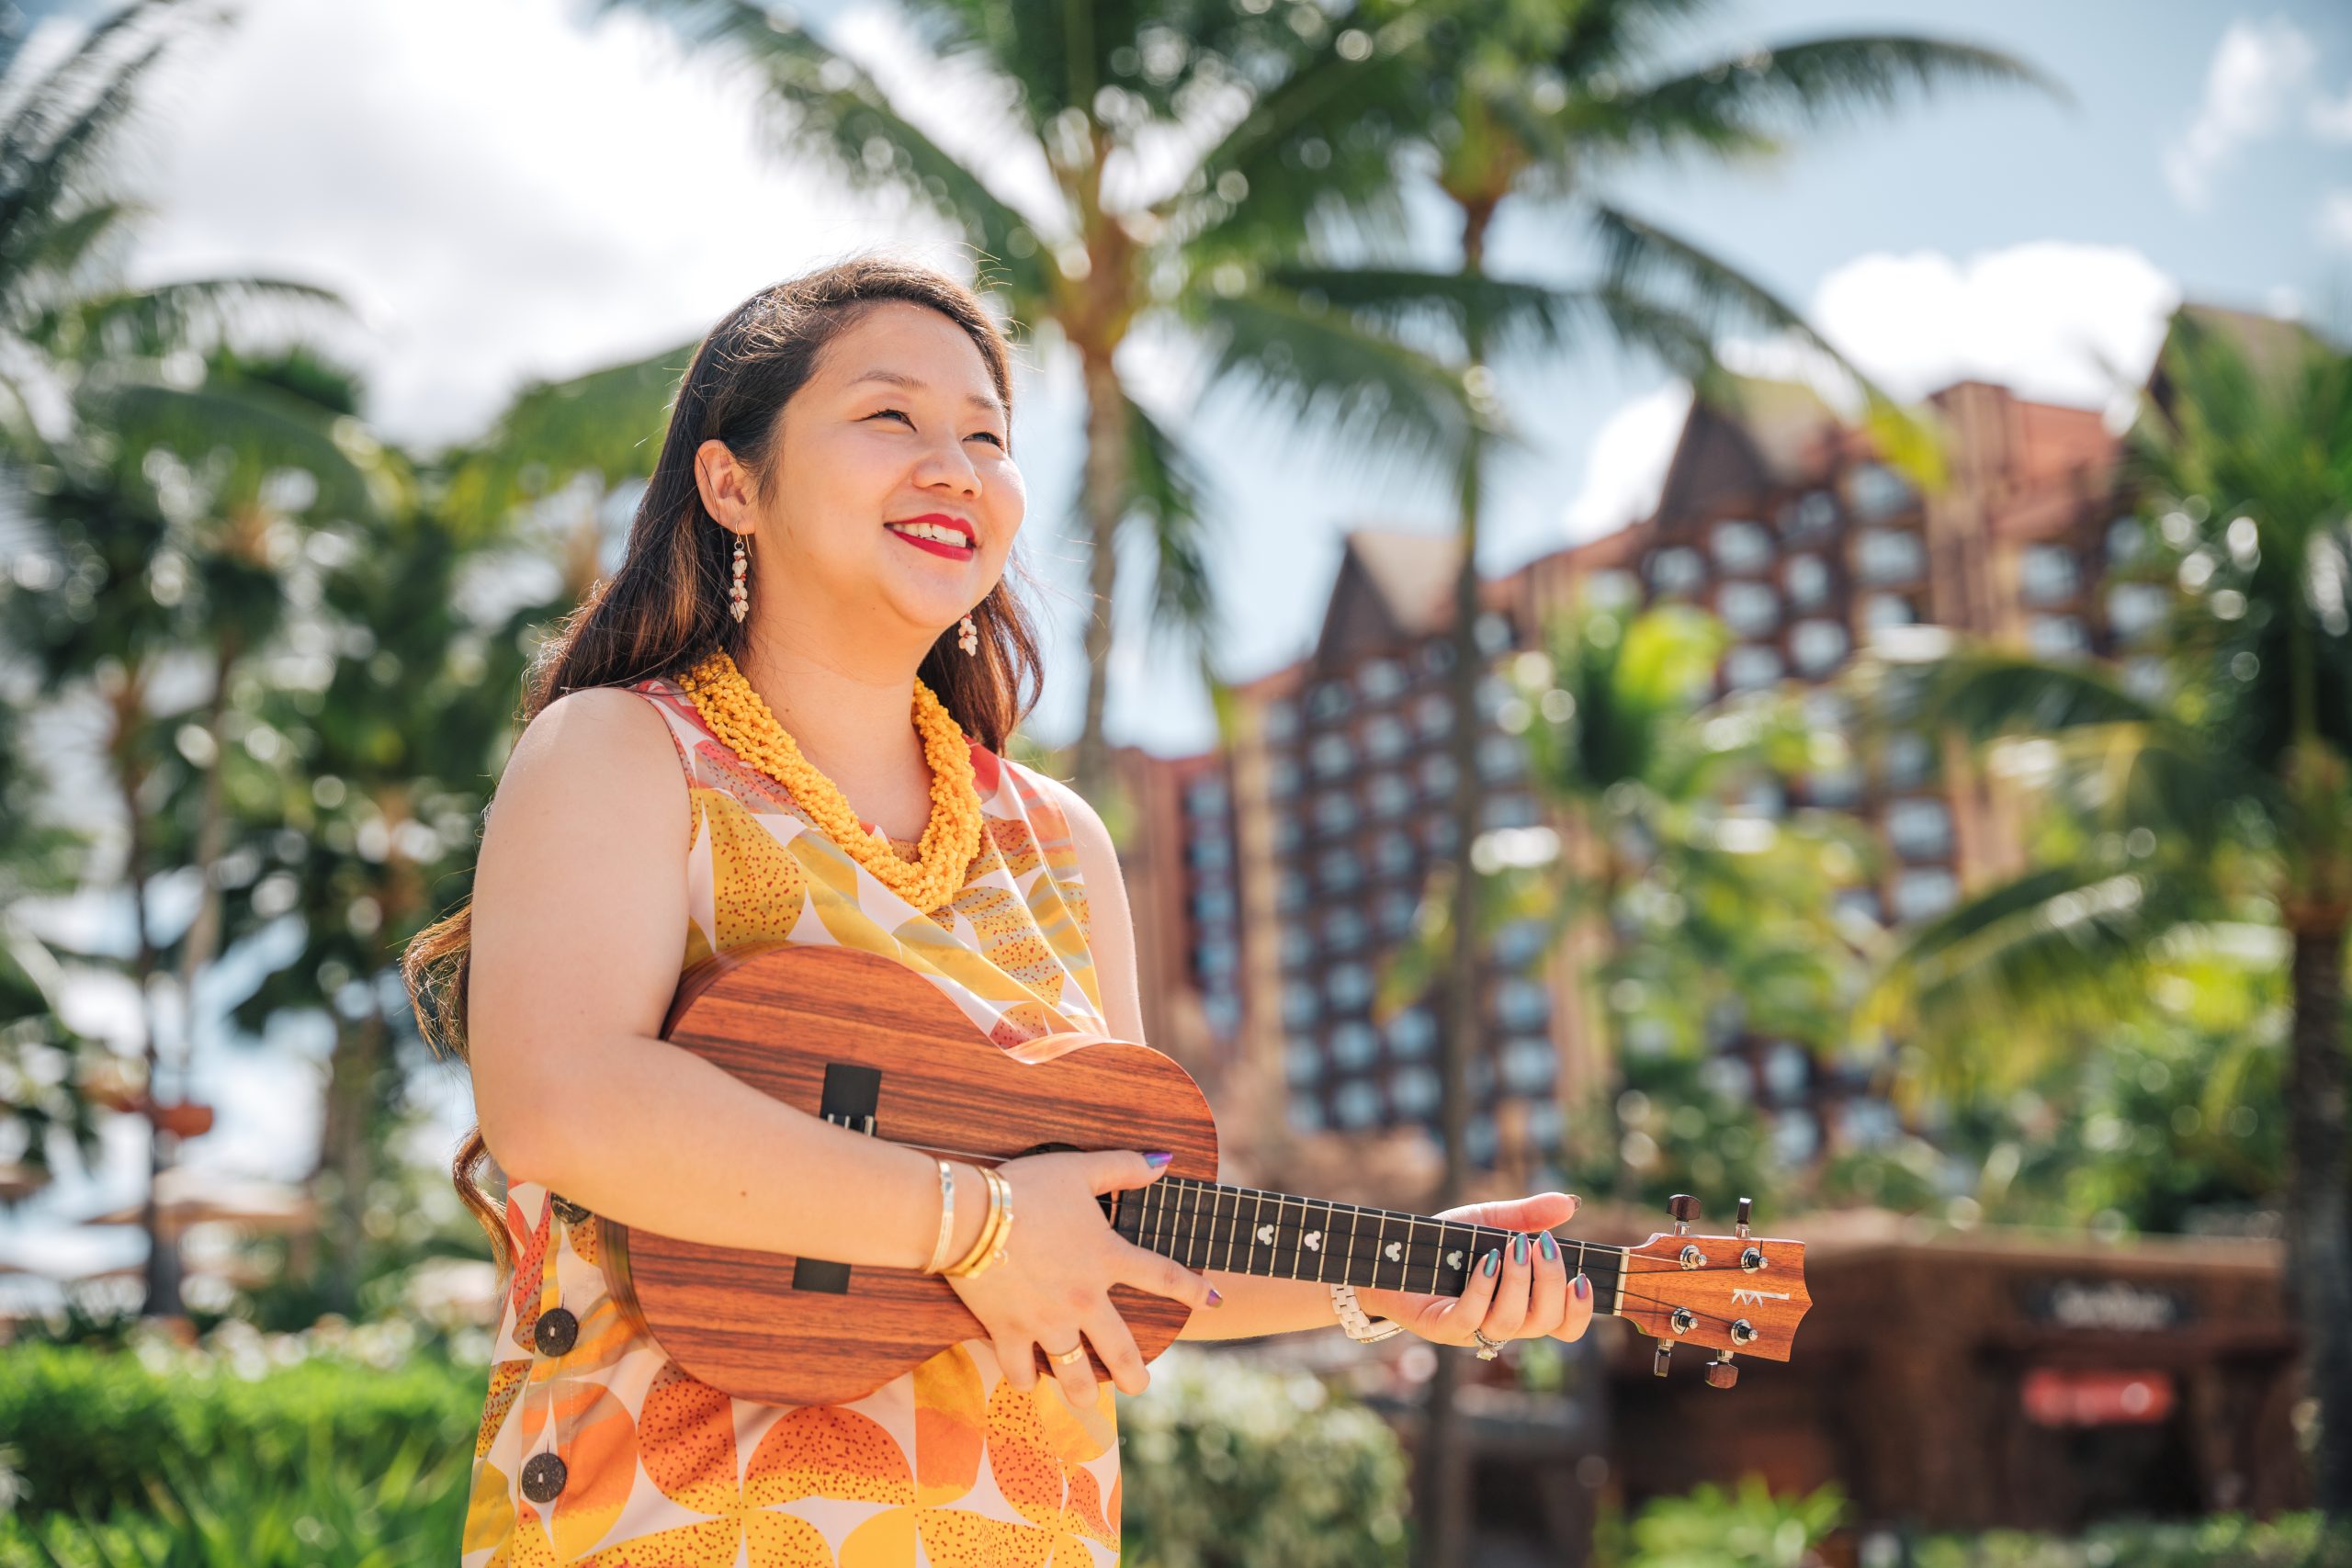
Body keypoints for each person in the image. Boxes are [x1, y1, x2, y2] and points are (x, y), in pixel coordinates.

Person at [402, 254, 1594, 1568]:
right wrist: (978, 1223)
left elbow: (1119, 1246)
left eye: (988, 437)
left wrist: (1397, 1277)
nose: (955, 467)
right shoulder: (624, 752)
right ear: (732, 482)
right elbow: (561, 1103)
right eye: (889, 418)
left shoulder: (1057, 841)